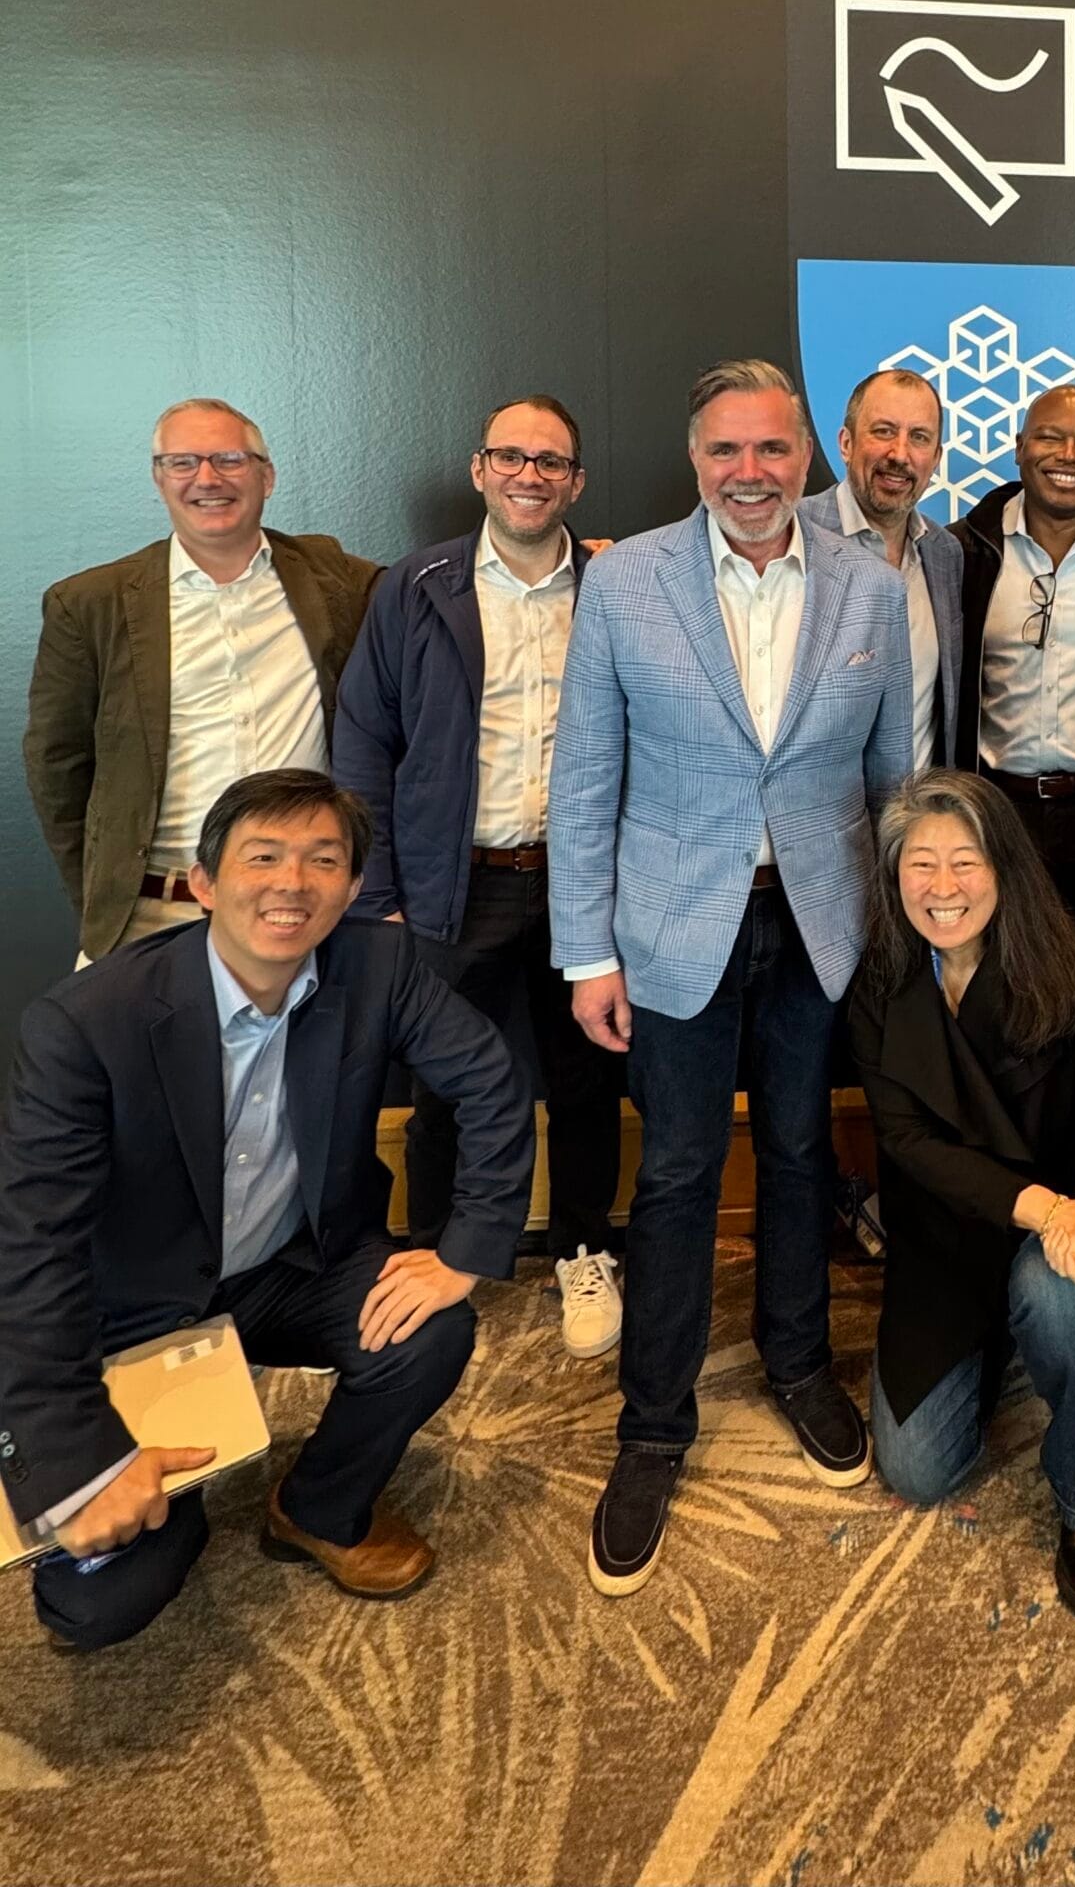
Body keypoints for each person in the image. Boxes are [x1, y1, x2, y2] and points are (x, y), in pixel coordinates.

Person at [0, 769, 534, 1654]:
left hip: (294, 1266)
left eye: (323, 860)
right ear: (204, 883)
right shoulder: (86, 1022)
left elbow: (490, 1084)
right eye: (264, 857)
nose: (293, 883)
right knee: (98, 1605)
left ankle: (316, 1507)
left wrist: (463, 1252)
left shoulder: (380, 964)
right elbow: (33, 1248)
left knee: (430, 1331)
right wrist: (75, 1464)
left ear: (352, 888)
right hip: (137, 1309)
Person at [550, 360, 912, 1599]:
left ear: (807, 455)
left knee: (804, 1154)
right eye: (725, 451)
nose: (750, 473)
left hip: (819, 927)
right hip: (671, 928)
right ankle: (654, 1424)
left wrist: (898, 934)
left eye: (771, 449)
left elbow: (893, 774)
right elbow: (583, 779)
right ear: (694, 458)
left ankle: (799, 1364)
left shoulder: (871, 584)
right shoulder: (624, 580)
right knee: (679, 1172)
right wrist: (587, 951)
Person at [332, 397, 628, 1362]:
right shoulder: (414, 588)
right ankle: (436, 1256)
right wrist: (379, 896)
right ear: (479, 470)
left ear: (575, 483)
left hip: (584, 882)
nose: (529, 475)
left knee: (587, 1078)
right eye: (511, 457)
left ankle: (583, 1250)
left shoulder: (619, 583)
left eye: (551, 462)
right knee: (443, 1089)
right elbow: (365, 742)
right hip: (454, 886)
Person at [848, 773, 1075, 1615]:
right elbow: (910, 1144)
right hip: (943, 1245)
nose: (943, 887)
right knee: (918, 1470)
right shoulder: (878, 984)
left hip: (1052, 1234)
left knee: (1062, 1293)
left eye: (965, 861)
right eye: (921, 863)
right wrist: (1049, 1211)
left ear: (1004, 867)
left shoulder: (1067, 966)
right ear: (894, 874)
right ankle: (1002, 1343)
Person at [23, 399, 377, 962]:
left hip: (302, 909)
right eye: (182, 462)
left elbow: (432, 591)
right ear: (159, 478)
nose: (207, 479)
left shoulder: (335, 580)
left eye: (229, 460)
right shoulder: (90, 604)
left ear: (267, 477)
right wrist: (107, 891)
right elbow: (57, 767)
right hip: (153, 916)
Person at [951, 384, 1075, 1317]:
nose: (1069, 455)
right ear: (1019, 446)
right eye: (1051, 438)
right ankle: (1013, 1220)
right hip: (998, 816)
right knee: (1002, 1024)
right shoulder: (965, 548)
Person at [799, 368, 963, 774]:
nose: (900, 454)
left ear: (936, 458)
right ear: (846, 443)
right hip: (824, 809)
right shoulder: (792, 536)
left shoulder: (945, 554)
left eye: (919, 437)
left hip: (917, 808)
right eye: (884, 431)